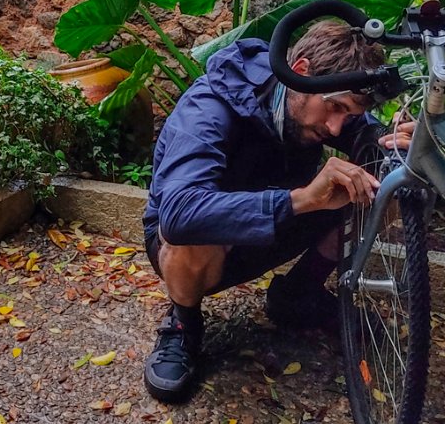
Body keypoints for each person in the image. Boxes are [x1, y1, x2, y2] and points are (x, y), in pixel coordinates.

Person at [141, 20, 415, 403]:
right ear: (301, 73)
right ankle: (183, 323)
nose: (338, 128)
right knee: (192, 224)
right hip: (199, 246)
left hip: (275, 221)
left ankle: (298, 295)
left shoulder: (322, 107)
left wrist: (391, 144)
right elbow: (179, 213)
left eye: (349, 114)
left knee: (387, 185)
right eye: (334, 108)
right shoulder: (210, 106)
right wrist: (302, 200)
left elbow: (364, 136)